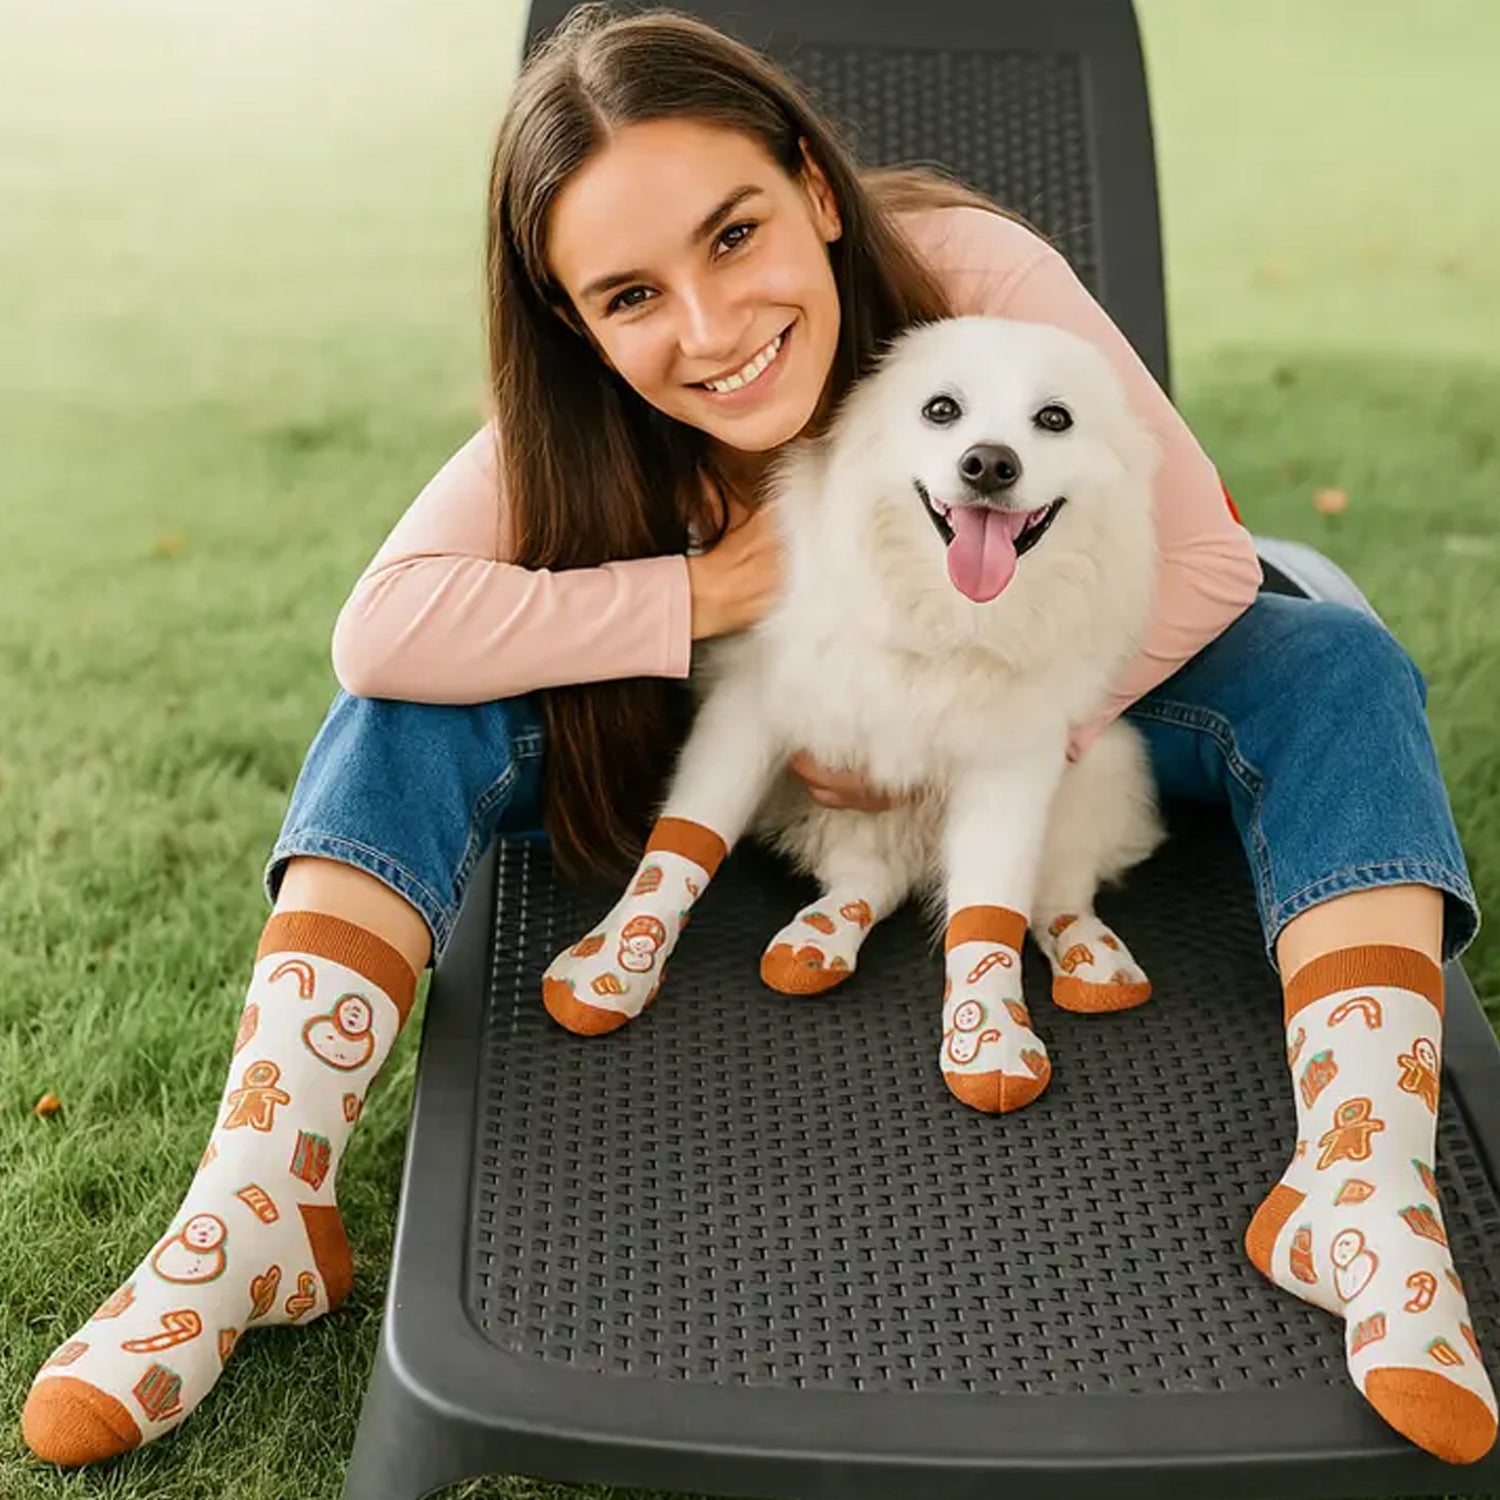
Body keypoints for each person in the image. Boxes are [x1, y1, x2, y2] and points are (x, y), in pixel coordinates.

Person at [23, 0, 1492, 1471]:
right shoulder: (582, 408)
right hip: (702, 740)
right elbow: (383, 627)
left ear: (811, 186)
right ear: (575, 322)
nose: (711, 328)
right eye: (629, 295)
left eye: (733, 235)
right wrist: (700, 595)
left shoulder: (975, 274)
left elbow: (1208, 558)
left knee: (1332, 661)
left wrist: (969, 729)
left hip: (1036, 711)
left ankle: (1357, 1188)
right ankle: (262, 1202)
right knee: (398, 709)